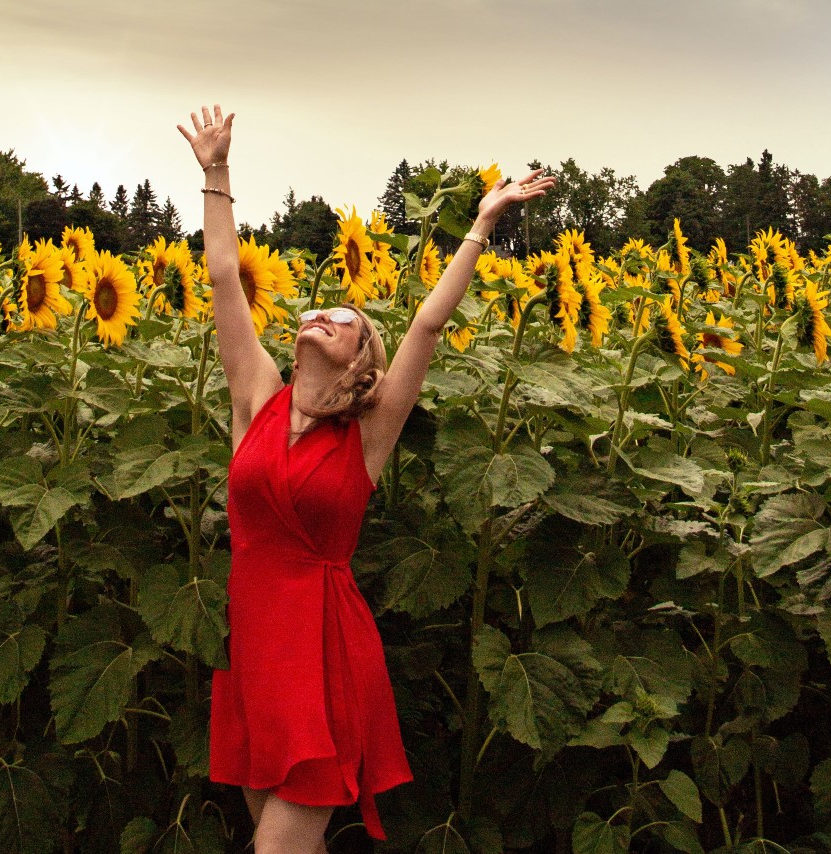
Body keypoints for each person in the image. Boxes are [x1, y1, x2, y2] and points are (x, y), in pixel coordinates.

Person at [178, 104, 554, 854]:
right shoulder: (255, 397)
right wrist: (216, 172)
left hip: (320, 652)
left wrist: (481, 224)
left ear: (361, 358)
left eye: (341, 316)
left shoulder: (367, 434)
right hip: (253, 646)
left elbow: (426, 327)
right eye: (314, 309)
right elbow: (224, 277)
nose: (320, 313)